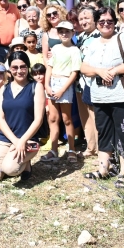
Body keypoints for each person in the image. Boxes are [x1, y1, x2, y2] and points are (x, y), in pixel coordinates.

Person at [80, 7, 124, 187]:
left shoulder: (123, 38)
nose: (106, 24)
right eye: (102, 21)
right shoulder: (93, 44)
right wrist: (99, 71)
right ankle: (103, 169)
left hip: (123, 95)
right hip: (100, 96)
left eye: (109, 21)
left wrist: (113, 71)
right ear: (96, 23)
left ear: (114, 23)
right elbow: (84, 67)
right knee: (104, 131)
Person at [0, 51, 45, 181]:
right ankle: (16, 160)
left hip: (27, 140)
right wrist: (15, 141)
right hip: (7, 138)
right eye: (15, 68)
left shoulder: (36, 87)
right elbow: (0, 118)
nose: (19, 71)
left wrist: (22, 141)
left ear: (28, 67)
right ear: (9, 69)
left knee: (10, 169)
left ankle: (24, 163)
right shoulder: (4, 89)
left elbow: (38, 120)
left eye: (23, 67)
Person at [44, 21, 82, 162]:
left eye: (67, 31)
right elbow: (49, 67)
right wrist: (47, 85)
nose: (64, 34)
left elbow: (74, 73)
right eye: (61, 31)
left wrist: (62, 90)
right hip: (53, 82)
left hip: (65, 84)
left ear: (72, 33)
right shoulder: (55, 48)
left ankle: (71, 149)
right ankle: (53, 150)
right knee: (53, 118)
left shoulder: (75, 50)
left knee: (67, 119)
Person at [75, 6, 100, 158]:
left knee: (95, 115)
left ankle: (100, 148)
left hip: (93, 81)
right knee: (85, 115)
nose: (83, 21)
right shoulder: (80, 36)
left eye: (87, 18)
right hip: (80, 81)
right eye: (81, 19)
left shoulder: (99, 35)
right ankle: (90, 147)